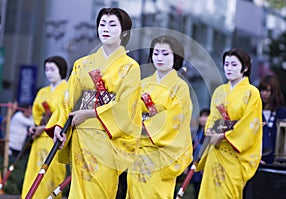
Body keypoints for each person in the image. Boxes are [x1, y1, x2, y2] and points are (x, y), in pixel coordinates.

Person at [45, 8, 141, 199]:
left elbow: (125, 106)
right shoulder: (82, 64)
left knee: (100, 190)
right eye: (102, 24)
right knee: (78, 192)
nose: (105, 28)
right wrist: (58, 125)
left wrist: (89, 113)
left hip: (107, 139)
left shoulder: (130, 67)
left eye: (112, 24)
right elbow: (68, 99)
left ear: (124, 32)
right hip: (81, 135)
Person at [126, 35, 193, 199]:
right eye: (156, 53)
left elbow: (176, 119)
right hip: (138, 151)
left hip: (160, 155)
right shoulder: (144, 83)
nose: (160, 58)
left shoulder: (180, 87)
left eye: (165, 54)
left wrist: (146, 126)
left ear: (175, 56)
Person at [196, 48, 262, 199]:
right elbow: (213, 119)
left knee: (228, 194)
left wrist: (223, 134)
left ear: (245, 68)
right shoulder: (220, 91)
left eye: (233, 64)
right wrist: (212, 132)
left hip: (233, 155)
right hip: (216, 152)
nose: (229, 68)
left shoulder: (252, 93)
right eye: (226, 64)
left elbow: (250, 125)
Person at [21, 56, 68, 199]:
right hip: (38, 139)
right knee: (33, 172)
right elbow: (36, 115)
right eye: (46, 69)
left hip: (55, 138)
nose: (49, 73)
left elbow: (65, 113)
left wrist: (45, 128)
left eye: (52, 69)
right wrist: (34, 128)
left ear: (61, 70)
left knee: (51, 174)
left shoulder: (67, 90)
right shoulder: (42, 91)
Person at [258, 75, 286, 164]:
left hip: (275, 161)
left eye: (267, 90)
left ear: (274, 92)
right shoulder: (256, 110)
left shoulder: (281, 113)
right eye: (262, 90)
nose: (264, 93)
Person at [190, 108, 210, 199]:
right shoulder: (197, 132)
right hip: (195, 165)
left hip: (205, 166)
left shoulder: (210, 134)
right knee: (196, 190)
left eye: (205, 116)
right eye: (201, 116)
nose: (202, 119)